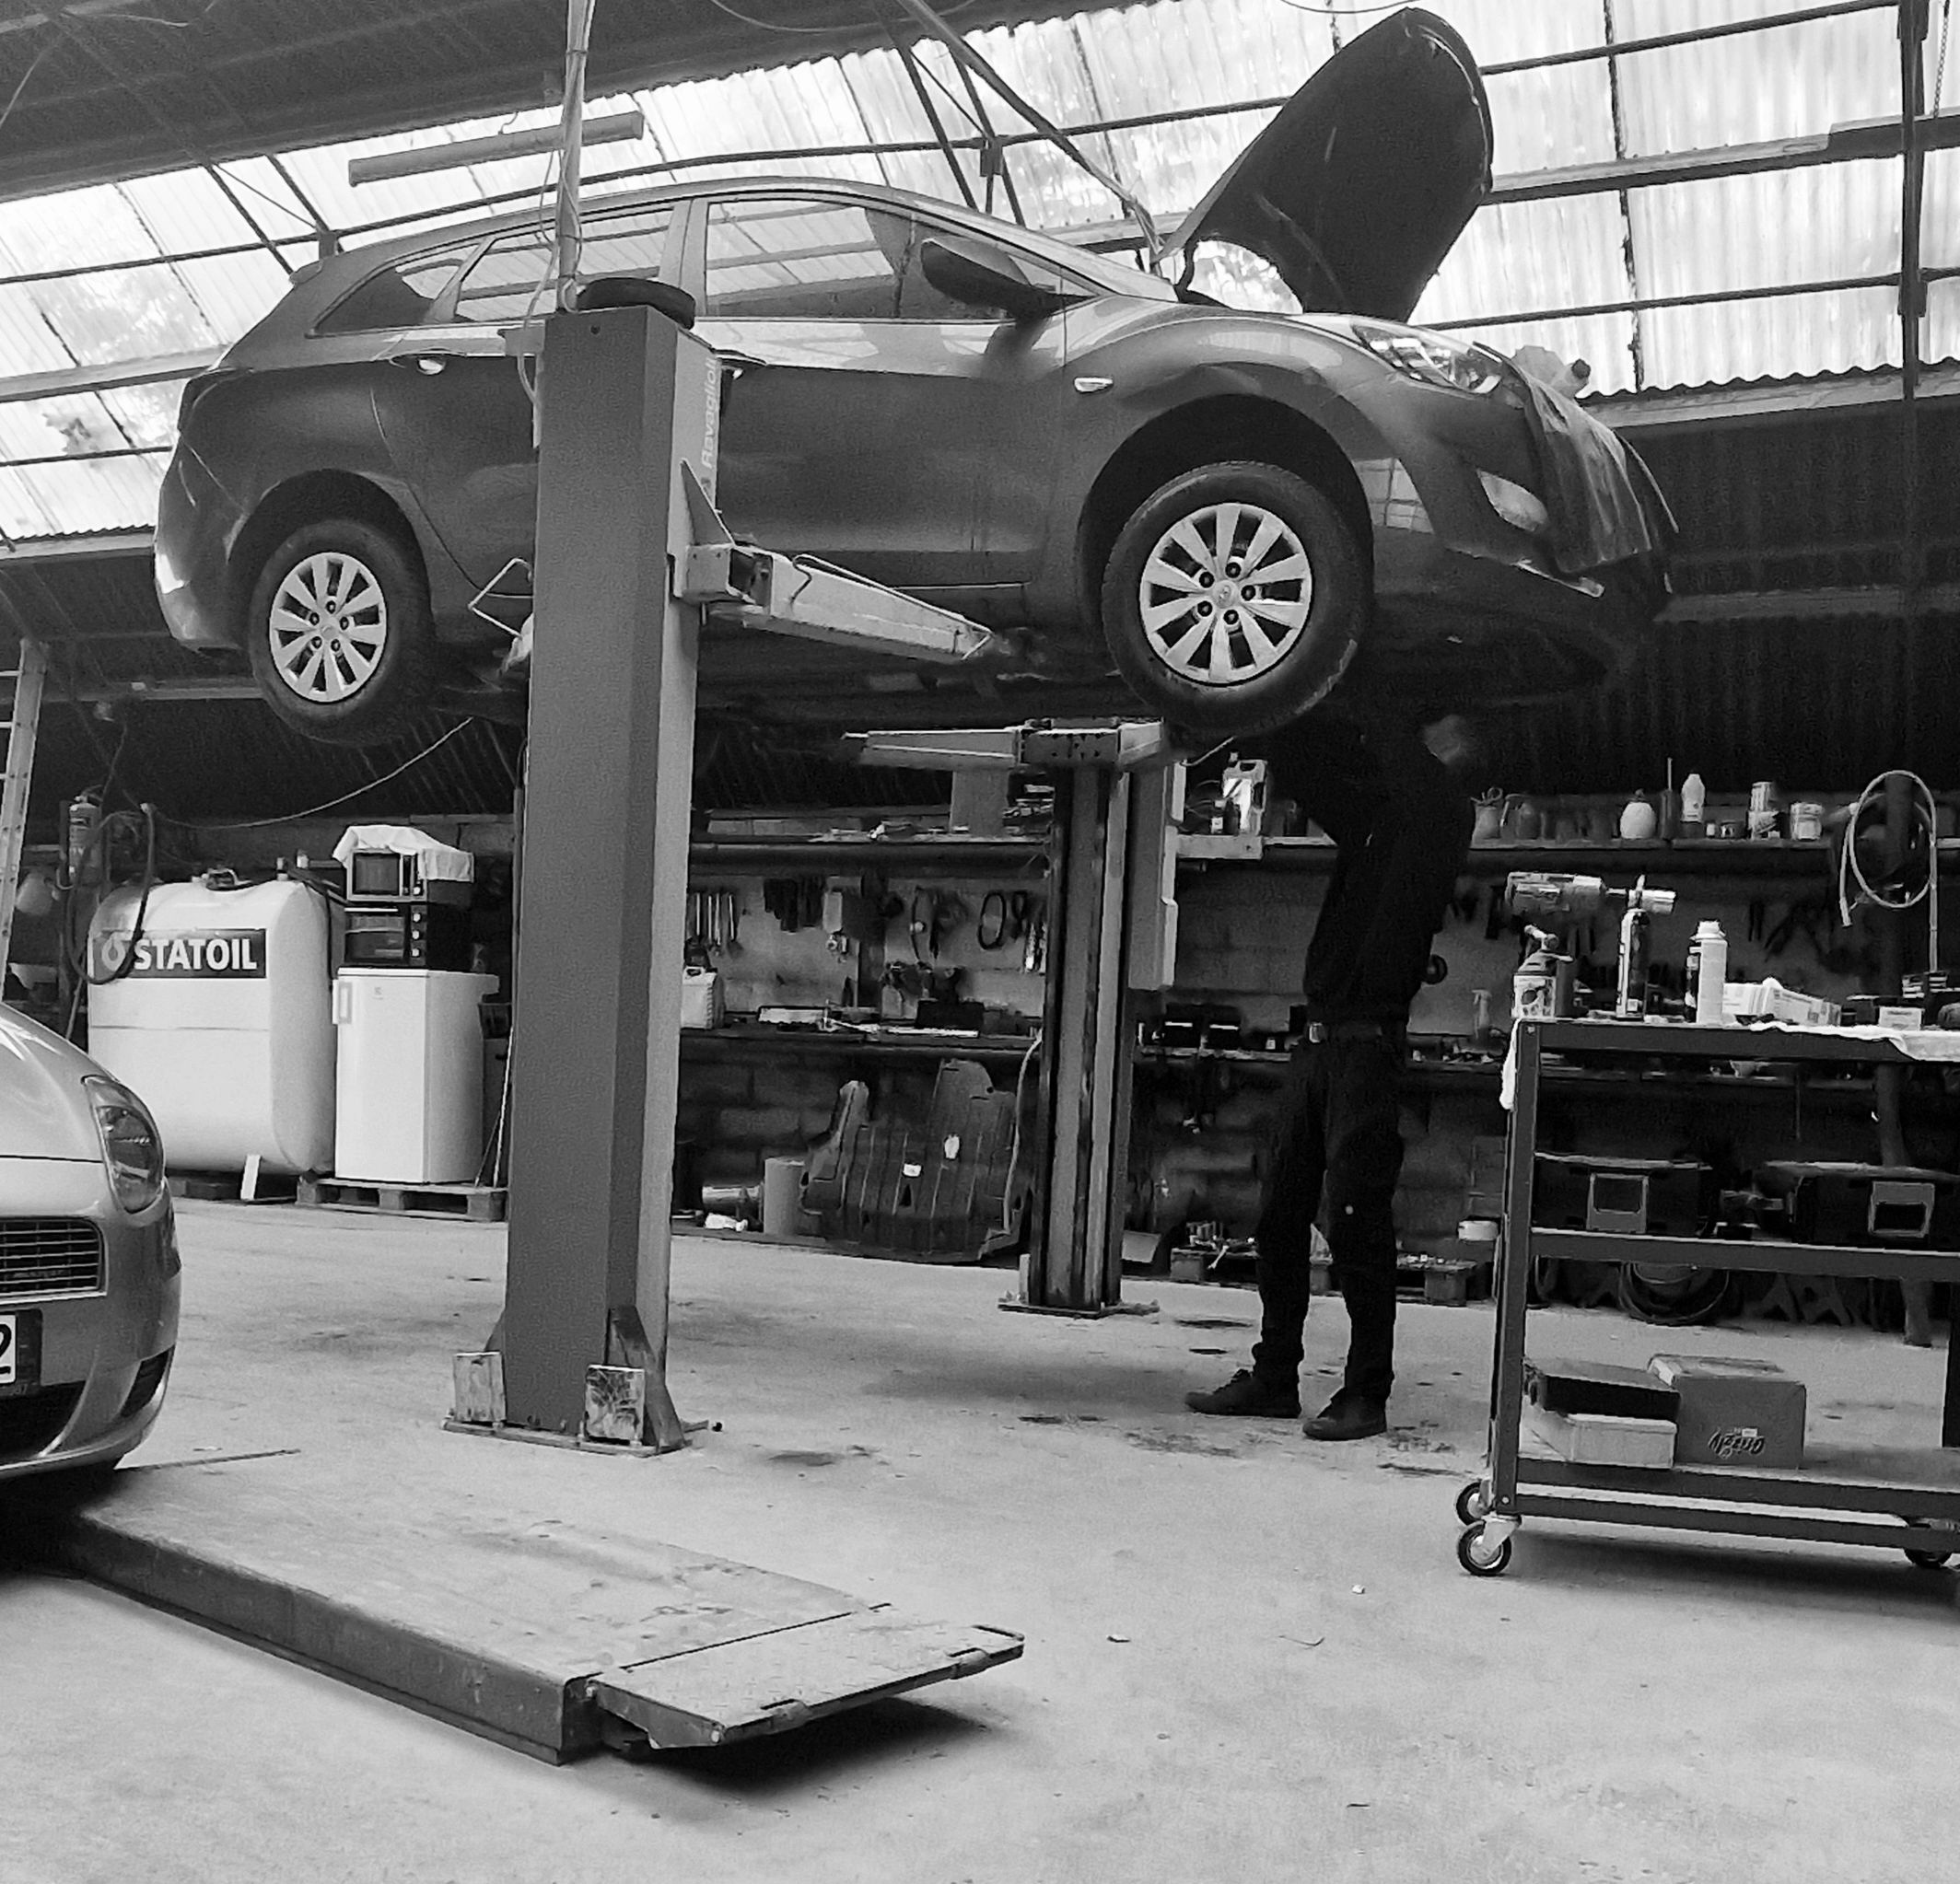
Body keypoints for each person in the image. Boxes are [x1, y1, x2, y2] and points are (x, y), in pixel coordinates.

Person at [1186, 704, 1476, 1440]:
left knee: (1356, 1221)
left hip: (1366, 1052)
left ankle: (1365, 1393)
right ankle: (1275, 1376)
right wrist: (1286, 709)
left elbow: (1411, 770)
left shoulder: (1439, 817)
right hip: (1317, 1048)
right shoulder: (1377, 827)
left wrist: (1378, 695)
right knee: (1279, 1216)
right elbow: (1316, 781)